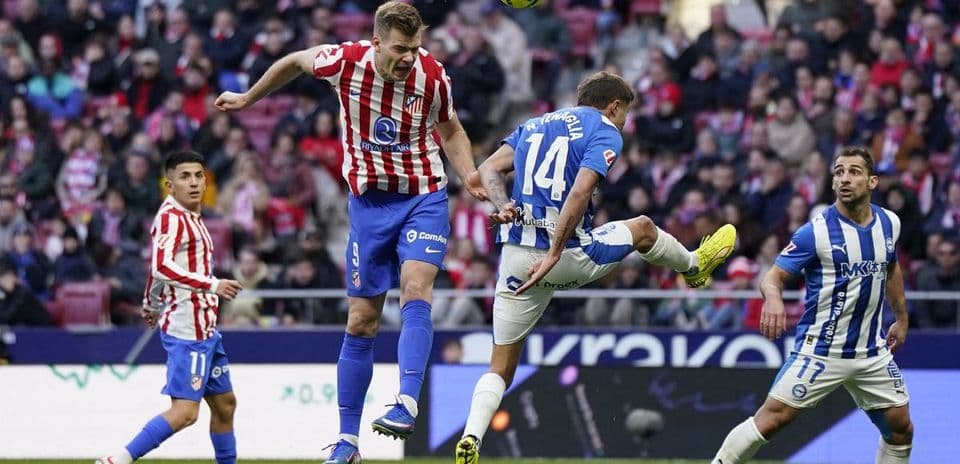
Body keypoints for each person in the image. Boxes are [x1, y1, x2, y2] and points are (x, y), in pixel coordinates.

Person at [214, 3, 484, 463]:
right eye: (400, 49)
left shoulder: (432, 75)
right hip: (369, 205)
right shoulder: (345, 62)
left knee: (416, 288)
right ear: (377, 42)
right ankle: (348, 443)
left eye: (415, 49)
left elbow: (451, 129)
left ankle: (406, 401)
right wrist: (248, 99)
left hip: (423, 195)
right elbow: (295, 60)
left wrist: (470, 174)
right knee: (361, 320)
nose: (408, 58)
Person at [455, 71, 737, 464]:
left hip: (515, 257)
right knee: (642, 229)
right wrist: (555, 250)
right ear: (614, 105)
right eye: (624, 115)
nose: (622, 124)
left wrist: (501, 203)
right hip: (565, 253)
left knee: (500, 364)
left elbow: (482, 171)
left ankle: (471, 437)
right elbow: (581, 190)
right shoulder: (604, 129)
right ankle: (694, 265)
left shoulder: (536, 124)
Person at [711, 146, 914, 464]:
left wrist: (901, 318)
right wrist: (774, 299)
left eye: (854, 172)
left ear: (872, 182)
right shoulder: (815, 233)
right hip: (820, 350)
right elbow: (772, 277)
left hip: (870, 351)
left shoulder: (889, 224)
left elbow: (891, 267)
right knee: (771, 419)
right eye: (839, 172)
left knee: (901, 429)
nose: (845, 178)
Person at [96, 151, 244, 464]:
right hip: (187, 330)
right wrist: (212, 284)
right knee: (186, 412)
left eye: (198, 175)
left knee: (225, 404)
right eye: (184, 177)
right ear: (169, 184)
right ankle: (116, 461)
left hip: (206, 327)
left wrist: (150, 302)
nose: (193, 183)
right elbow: (162, 266)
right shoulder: (171, 217)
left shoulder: (192, 216)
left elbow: (155, 271)